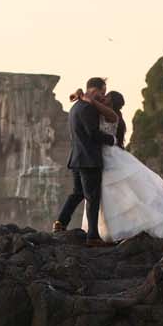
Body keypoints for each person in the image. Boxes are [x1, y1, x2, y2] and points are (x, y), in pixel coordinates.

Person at [76, 88, 163, 249]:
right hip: (101, 157)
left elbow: (93, 107)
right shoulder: (104, 112)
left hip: (109, 157)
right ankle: (108, 231)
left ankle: (120, 230)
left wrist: (84, 97)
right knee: (106, 194)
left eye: (106, 97)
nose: (103, 98)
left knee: (118, 192)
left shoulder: (111, 115)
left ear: (112, 103)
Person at [53, 77, 118, 246]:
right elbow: (92, 133)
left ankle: (60, 222)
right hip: (89, 159)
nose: (103, 96)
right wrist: (111, 140)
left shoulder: (75, 107)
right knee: (92, 198)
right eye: (102, 92)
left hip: (76, 157)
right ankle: (93, 236)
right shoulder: (88, 108)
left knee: (78, 193)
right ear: (94, 90)